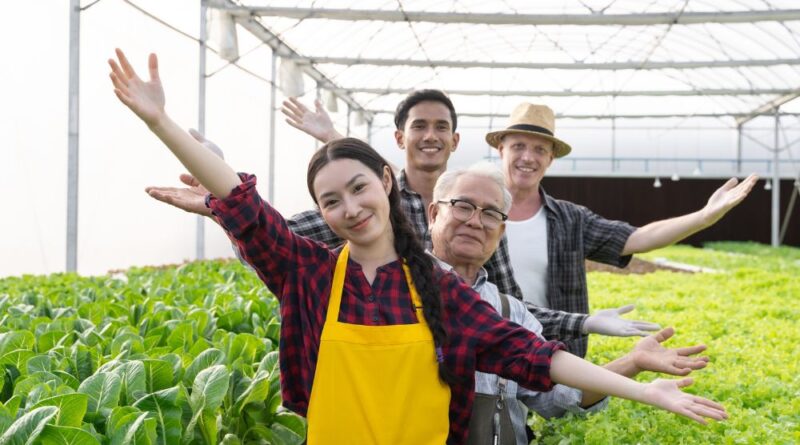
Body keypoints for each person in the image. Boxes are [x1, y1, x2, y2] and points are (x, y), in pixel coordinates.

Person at [109, 49, 727, 444]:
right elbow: (245, 208)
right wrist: (159, 122)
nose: (349, 209)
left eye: (358, 189)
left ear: (386, 182)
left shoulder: (444, 294)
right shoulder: (310, 275)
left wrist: (643, 387)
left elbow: (538, 358)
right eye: (330, 202)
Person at [146, 92, 662, 341]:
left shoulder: (472, 213)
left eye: (442, 127)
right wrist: (221, 195)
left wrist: (584, 325)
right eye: (419, 126)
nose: (430, 135)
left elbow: (503, 308)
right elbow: (270, 236)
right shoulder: (367, 213)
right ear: (399, 140)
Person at [426, 163, 711, 444]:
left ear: (500, 233)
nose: (475, 221)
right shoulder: (399, 290)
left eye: (490, 214)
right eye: (463, 206)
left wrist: (633, 362)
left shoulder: (510, 312)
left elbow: (557, 400)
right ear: (434, 213)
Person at [487, 103, 759, 357]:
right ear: (501, 150)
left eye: (540, 150)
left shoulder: (570, 219)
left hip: (553, 356)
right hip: (490, 350)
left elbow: (638, 238)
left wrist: (704, 217)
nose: (528, 157)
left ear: (550, 159)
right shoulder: (476, 211)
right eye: (518, 146)